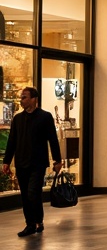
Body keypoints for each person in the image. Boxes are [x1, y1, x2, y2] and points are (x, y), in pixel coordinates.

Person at [2, 86, 63, 237]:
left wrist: (57, 160)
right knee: (25, 194)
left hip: (38, 163)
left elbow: (53, 140)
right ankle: (30, 224)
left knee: (33, 192)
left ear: (34, 99)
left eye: (24, 97)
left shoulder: (45, 117)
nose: (21, 100)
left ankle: (38, 220)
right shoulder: (17, 119)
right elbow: (12, 141)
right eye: (21, 97)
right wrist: (6, 161)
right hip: (21, 162)